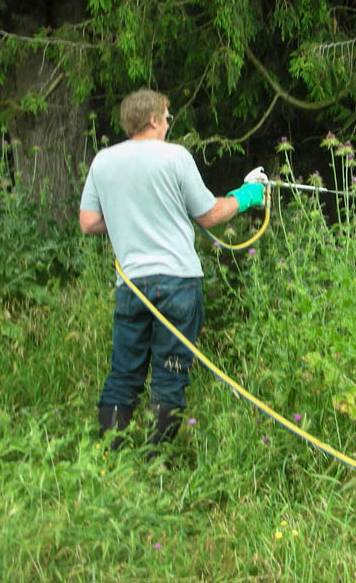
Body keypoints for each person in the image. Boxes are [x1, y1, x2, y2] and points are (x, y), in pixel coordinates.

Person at [78, 89, 265, 458]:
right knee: (171, 373)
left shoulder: (103, 161)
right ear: (152, 119)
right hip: (178, 283)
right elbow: (210, 214)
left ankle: (111, 462)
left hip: (132, 285)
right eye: (166, 117)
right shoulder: (176, 156)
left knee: (123, 374)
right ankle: (153, 461)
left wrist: (128, 217)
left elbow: (88, 223)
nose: (167, 124)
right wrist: (248, 195)